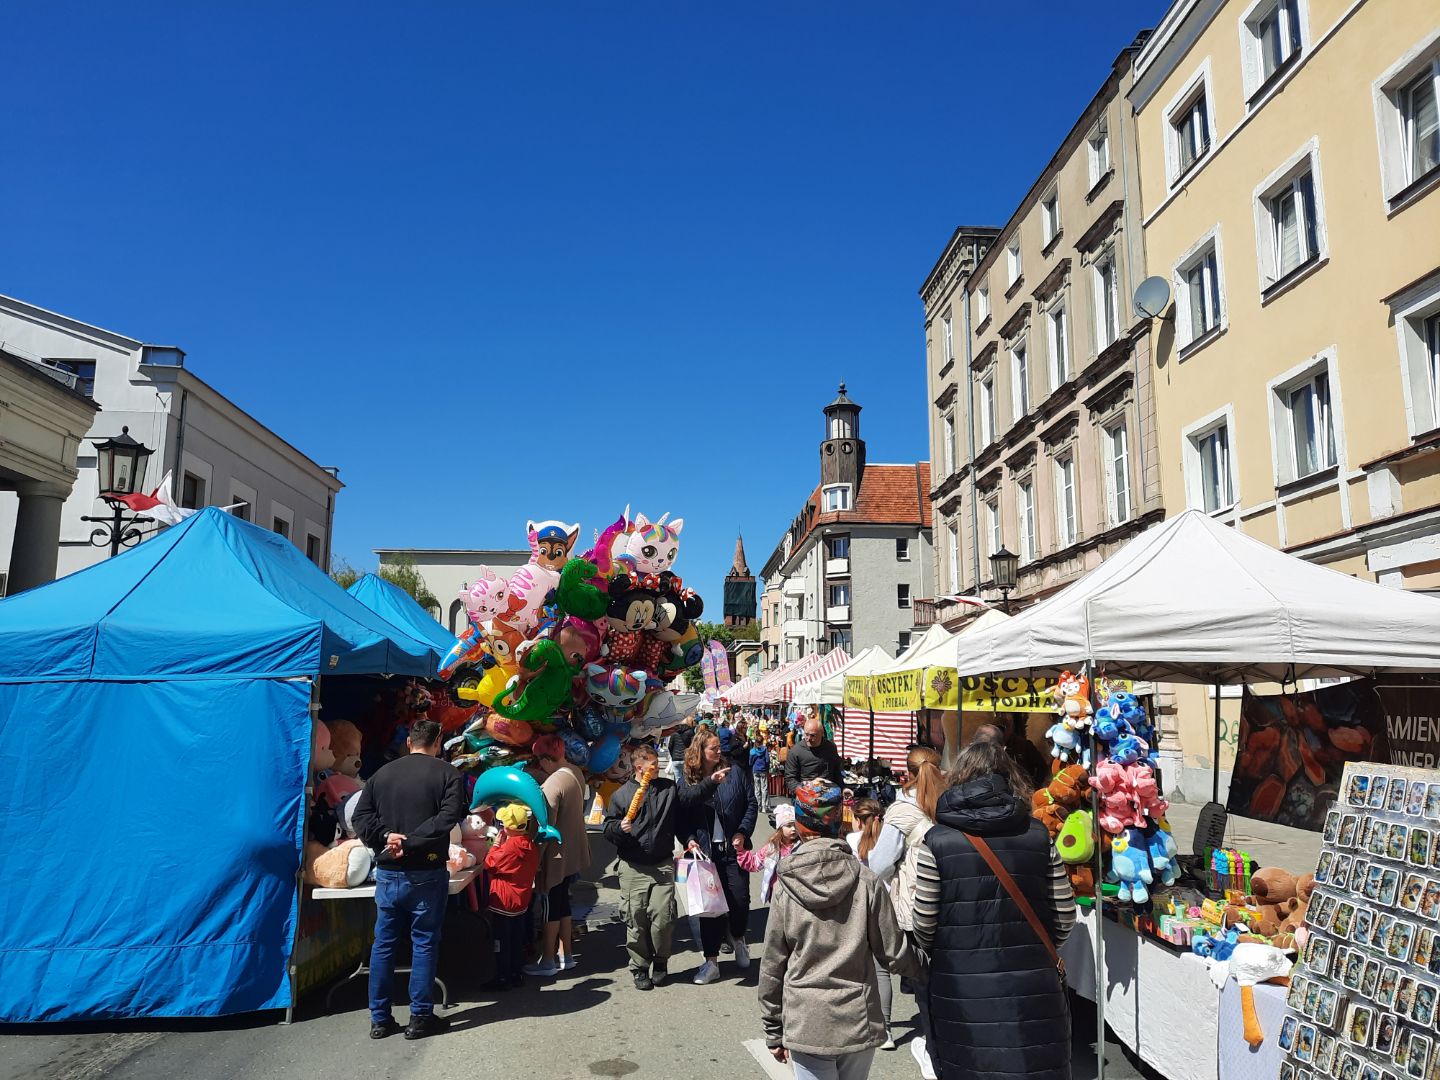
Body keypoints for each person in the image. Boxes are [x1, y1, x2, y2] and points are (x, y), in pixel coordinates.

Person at [913, 740, 1077, 1080]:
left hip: (960, 984)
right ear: (1009, 777)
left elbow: (924, 923)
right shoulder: (1038, 835)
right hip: (1033, 982)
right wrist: (1036, 950)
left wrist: (953, 954)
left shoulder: (937, 840)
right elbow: (1064, 914)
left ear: (958, 778)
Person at [760, 780, 925, 1080]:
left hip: (805, 1018)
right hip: (857, 1018)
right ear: (839, 819)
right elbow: (895, 953)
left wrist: (773, 1028)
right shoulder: (867, 881)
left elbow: (773, 963)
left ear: (799, 824)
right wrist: (934, 968)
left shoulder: (786, 886)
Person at [350, 718, 466, 1040]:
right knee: (424, 943)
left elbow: (359, 817)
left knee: (384, 945)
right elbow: (448, 818)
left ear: (409, 742)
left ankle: (380, 1018)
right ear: (438, 741)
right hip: (426, 871)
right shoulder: (448, 774)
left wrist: (386, 838)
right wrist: (411, 841)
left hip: (389, 872)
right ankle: (420, 1017)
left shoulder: (381, 774)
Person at [602, 743, 726, 991]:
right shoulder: (622, 795)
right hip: (633, 866)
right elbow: (608, 827)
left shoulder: (668, 789)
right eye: (652, 764)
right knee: (636, 920)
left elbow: (687, 803)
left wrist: (710, 783)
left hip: (662, 865)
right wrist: (618, 828)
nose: (657, 766)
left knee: (663, 918)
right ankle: (639, 966)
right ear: (639, 766)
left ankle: (660, 962)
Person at [883, 746, 946, 1079]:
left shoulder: (901, 810)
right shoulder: (953, 801)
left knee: (925, 990)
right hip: (951, 905)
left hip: (916, 905)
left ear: (906, 773)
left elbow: (878, 862)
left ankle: (936, 1059)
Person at [678, 728, 755, 983]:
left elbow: (751, 804)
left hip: (734, 849)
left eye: (718, 747)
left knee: (740, 900)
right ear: (700, 751)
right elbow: (682, 814)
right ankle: (711, 962)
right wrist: (689, 840)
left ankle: (739, 937)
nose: (719, 751)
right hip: (705, 855)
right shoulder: (689, 781)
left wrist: (743, 832)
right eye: (713, 748)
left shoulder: (736, 772)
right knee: (709, 910)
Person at [524, 734, 592, 978]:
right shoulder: (575, 771)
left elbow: (545, 828)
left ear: (544, 758)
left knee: (550, 906)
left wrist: (534, 859)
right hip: (573, 852)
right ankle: (567, 954)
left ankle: (548, 959)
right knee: (563, 903)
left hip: (555, 856)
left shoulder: (553, 784)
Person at [846, 798, 906, 1051]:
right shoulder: (890, 841)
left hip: (858, 907)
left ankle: (854, 1023)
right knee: (882, 971)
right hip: (887, 906)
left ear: (858, 820)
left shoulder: (851, 841)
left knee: (853, 967)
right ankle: (887, 1030)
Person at [483, 803, 542, 990]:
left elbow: (490, 864)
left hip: (504, 899)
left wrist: (496, 845)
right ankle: (516, 973)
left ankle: (502, 976)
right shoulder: (529, 844)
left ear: (508, 826)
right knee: (516, 937)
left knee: (501, 940)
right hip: (521, 899)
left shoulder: (511, 847)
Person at [736, 802, 801, 903]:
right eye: (788, 825)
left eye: (795, 825)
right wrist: (741, 850)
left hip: (796, 895)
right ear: (780, 828)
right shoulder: (772, 848)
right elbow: (755, 863)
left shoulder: (801, 846)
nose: (793, 829)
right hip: (776, 896)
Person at [784, 716, 845, 796]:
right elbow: (790, 778)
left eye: (813, 735)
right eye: (806, 734)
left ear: (821, 734)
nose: (808, 738)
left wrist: (843, 789)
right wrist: (803, 791)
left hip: (829, 794)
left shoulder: (830, 748)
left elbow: (837, 772)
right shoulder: (796, 751)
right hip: (805, 796)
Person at [667, 717, 697, 783]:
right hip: (686, 758)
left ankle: (678, 791)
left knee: (677, 778)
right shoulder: (691, 732)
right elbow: (693, 746)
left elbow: (670, 746)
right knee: (686, 778)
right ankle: (684, 791)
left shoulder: (674, 733)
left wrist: (673, 756)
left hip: (676, 759)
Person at [748, 737, 771, 815]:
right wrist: (767, 768)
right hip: (763, 770)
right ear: (762, 742)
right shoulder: (765, 749)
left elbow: (750, 762)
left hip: (755, 770)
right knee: (764, 788)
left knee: (757, 789)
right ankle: (764, 806)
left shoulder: (752, 751)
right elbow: (767, 760)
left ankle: (758, 806)